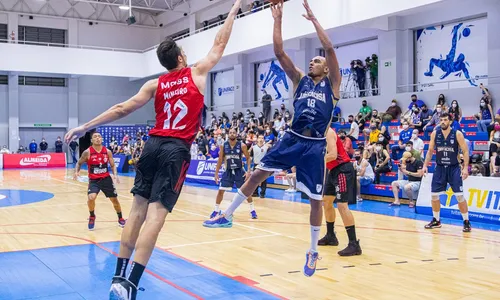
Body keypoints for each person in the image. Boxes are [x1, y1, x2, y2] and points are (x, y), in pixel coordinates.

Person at [65, 1, 242, 298]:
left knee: (136, 212)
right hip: (176, 149)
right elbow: (220, 42)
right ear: (181, 57)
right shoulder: (197, 72)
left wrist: (85, 127)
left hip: (152, 145)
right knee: (156, 217)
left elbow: (122, 108)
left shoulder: (155, 84)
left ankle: (117, 278)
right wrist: (235, 8)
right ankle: (131, 284)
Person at [202, 0, 341, 278]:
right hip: (292, 138)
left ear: (326, 69)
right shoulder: (299, 80)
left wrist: (313, 19)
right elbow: (279, 52)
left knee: (315, 201)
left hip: (314, 147)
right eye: (312, 60)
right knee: (256, 174)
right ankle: (226, 215)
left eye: (317, 61)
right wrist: (277, 19)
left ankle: (313, 251)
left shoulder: (333, 84)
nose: (312, 61)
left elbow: (330, 49)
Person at [423, 112, 471, 232]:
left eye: (445, 120)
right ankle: (436, 220)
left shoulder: (457, 134)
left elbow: (465, 152)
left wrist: (465, 168)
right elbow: (429, 151)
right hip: (439, 168)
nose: (443, 122)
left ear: (450, 121)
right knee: (434, 195)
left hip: (454, 168)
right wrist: (425, 165)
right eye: (441, 120)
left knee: (459, 197)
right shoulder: (435, 133)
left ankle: (466, 221)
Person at [319, 128, 361, 256]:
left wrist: (314, 160)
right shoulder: (318, 134)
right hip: (333, 171)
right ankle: (331, 235)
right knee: (326, 201)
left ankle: (354, 244)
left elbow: (332, 154)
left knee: (342, 205)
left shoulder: (328, 132)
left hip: (343, 169)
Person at [74, 132, 125, 230]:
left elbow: (113, 165)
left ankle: (120, 218)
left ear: (102, 139)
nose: (97, 138)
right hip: (94, 180)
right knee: (91, 198)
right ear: (91, 140)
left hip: (106, 179)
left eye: (99, 136)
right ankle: (92, 216)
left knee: (114, 200)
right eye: (95, 137)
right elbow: (79, 163)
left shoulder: (108, 151)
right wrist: (76, 171)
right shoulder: (87, 152)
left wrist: (115, 174)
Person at [208, 128, 257, 220]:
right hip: (228, 171)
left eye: (234, 132)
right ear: (228, 134)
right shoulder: (223, 145)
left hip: (239, 171)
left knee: (246, 192)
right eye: (230, 132)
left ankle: (252, 210)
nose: (232, 134)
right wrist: (216, 173)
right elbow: (220, 160)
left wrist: (248, 171)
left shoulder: (242, 145)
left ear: (236, 134)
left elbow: (248, 158)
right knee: (220, 191)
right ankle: (216, 210)